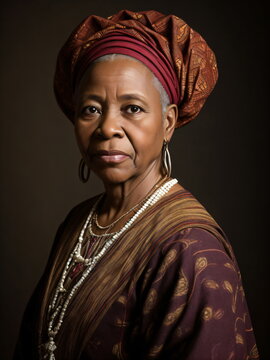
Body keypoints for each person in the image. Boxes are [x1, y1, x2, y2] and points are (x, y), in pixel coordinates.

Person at [14, 10, 259, 360]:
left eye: (132, 108)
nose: (107, 128)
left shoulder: (192, 251)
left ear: (169, 122)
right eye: (91, 110)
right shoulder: (78, 223)